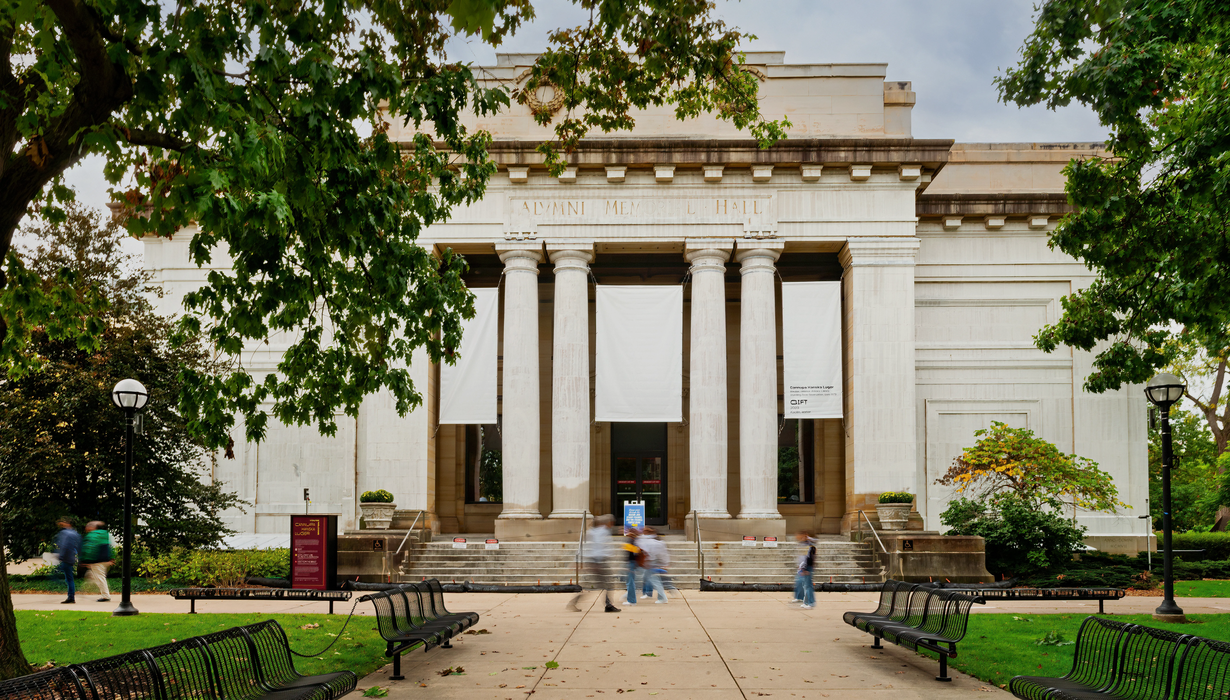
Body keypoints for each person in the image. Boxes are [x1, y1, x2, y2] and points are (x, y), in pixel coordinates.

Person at [568, 515, 620, 613]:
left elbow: (586, 547)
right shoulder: (603, 531)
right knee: (608, 584)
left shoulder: (591, 532)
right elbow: (600, 547)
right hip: (599, 561)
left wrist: (579, 561)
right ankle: (608, 605)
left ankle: (574, 602)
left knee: (601, 585)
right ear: (607, 523)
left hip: (594, 561)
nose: (612, 525)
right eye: (611, 523)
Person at [80, 521, 115, 602]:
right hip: (106, 559)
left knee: (100, 578)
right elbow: (110, 546)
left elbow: (90, 548)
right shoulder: (105, 534)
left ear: (92, 528)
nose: (86, 528)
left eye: (87, 527)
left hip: (97, 560)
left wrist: (86, 560)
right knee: (94, 575)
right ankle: (86, 587)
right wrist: (112, 558)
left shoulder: (92, 535)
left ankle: (106, 596)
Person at [638, 527, 670, 604]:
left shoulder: (649, 541)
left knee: (655, 581)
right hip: (651, 562)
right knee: (653, 580)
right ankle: (658, 596)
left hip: (651, 563)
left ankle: (662, 597)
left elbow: (648, 552)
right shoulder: (654, 541)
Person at [54, 518, 81, 604]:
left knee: (68, 578)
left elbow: (64, 545)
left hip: (66, 558)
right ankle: (71, 596)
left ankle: (71, 597)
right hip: (70, 558)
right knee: (69, 578)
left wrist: (60, 556)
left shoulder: (65, 533)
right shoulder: (74, 533)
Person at [621, 528, 645, 605]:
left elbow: (632, 554)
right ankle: (631, 599)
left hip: (631, 563)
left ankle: (631, 600)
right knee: (630, 582)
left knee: (630, 583)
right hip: (632, 563)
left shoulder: (632, 541)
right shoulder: (635, 541)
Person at [794, 530, 816, 610]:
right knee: (806, 585)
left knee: (808, 586)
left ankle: (810, 602)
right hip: (804, 566)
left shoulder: (810, 545)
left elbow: (809, 557)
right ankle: (806, 602)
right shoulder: (804, 544)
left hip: (807, 567)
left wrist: (805, 568)